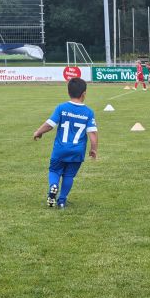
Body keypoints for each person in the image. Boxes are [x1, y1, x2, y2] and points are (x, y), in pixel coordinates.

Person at [33, 78, 98, 208]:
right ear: (84, 94)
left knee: (54, 170)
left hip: (60, 149)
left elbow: (50, 124)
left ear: (68, 92)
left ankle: (53, 185)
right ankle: (62, 201)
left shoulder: (62, 108)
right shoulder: (88, 112)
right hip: (77, 151)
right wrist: (93, 149)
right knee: (69, 175)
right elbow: (92, 133)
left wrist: (38, 132)